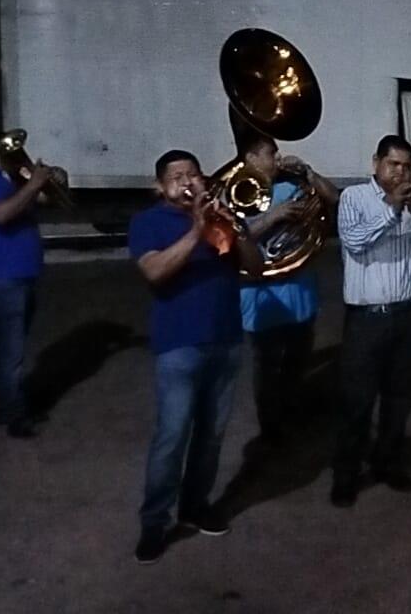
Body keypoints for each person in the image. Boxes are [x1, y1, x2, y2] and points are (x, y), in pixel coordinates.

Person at [128, 150, 264, 564]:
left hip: (226, 341)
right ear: (159, 186)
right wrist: (197, 229)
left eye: (193, 173)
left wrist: (233, 228)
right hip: (179, 345)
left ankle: (195, 506)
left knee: (212, 434)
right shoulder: (148, 222)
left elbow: (257, 269)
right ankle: (154, 521)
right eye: (176, 175)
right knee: (172, 437)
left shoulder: (220, 220)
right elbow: (155, 272)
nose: (186, 180)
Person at [331, 135, 411, 507]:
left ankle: (388, 462)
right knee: (358, 401)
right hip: (369, 318)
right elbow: (355, 242)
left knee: (401, 398)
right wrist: (392, 209)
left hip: (410, 315)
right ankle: (346, 475)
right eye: (393, 164)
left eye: (406, 165)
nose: (401, 172)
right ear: (376, 164)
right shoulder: (354, 198)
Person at [238, 134, 340, 444]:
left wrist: (307, 172)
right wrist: (273, 217)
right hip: (262, 299)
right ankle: (271, 429)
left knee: (297, 361)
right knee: (267, 368)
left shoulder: (290, 185)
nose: (277, 158)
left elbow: (334, 199)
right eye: (270, 152)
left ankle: (292, 413)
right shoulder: (237, 194)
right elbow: (231, 239)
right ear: (251, 158)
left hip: (300, 294)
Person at [0, 130, 57, 439]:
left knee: (12, 347)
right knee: (11, 351)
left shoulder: (8, 179)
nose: (16, 154)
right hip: (1, 274)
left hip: (22, 272)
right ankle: (15, 414)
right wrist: (32, 184)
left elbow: (45, 200)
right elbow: (1, 215)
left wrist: (45, 183)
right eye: (8, 149)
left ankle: (8, 406)